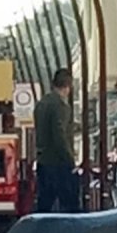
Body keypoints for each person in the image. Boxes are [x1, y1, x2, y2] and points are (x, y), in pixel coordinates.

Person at [34, 68, 77, 212]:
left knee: (44, 205)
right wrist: (70, 159)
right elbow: (59, 135)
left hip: (42, 161)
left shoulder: (41, 104)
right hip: (58, 163)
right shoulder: (60, 106)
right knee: (70, 204)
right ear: (68, 86)